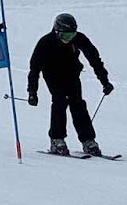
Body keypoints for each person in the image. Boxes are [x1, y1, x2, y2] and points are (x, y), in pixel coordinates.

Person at [27, 12, 113, 156]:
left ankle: (88, 140)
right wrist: (32, 92)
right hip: (52, 75)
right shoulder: (45, 43)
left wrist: (104, 81)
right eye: (65, 36)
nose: (68, 39)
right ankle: (56, 139)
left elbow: (94, 59)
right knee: (60, 101)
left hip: (71, 74)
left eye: (71, 35)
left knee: (78, 103)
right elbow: (34, 70)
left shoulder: (79, 38)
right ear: (56, 31)